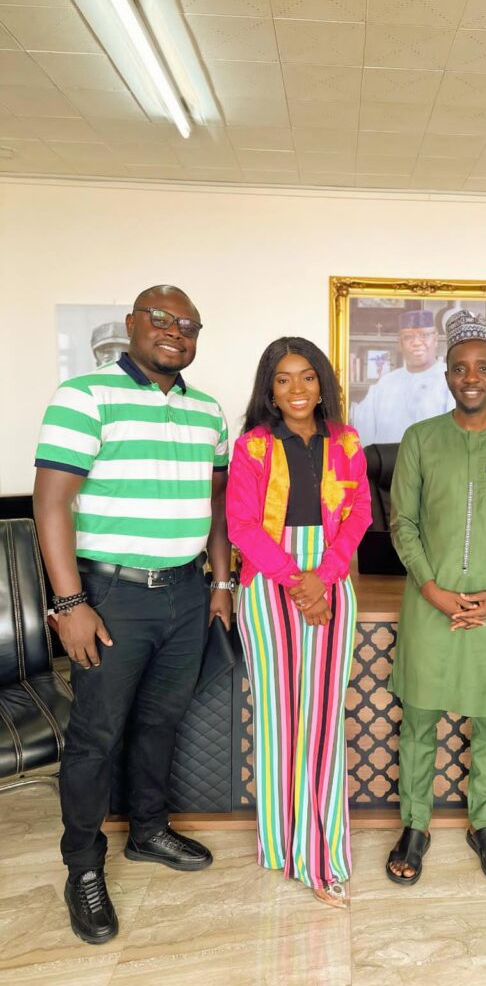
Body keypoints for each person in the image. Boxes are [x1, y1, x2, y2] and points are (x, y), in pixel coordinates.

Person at [33, 285, 231, 945]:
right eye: (163, 319)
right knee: (96, 736)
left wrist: (221, 582)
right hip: (110, 596)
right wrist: (70, 603)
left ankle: (147, 832)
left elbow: (218, 507)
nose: (177, 332)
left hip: (184, 592)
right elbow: (51, 505)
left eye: (189, 325)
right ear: (132, 325)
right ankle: (83, 866)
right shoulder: (84, 396)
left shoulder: (208, 412)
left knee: (162, 722)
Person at [385, 310, 486, 886]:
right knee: (418, 725)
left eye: (482, 368)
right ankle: (416, 825)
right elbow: (402, 522)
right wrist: (432, 589)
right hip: (430, 608)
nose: (470, 377)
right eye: (460, 368)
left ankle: (485, 824)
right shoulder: (421, 440)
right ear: (447, 376)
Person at [226, 337, 371, 909]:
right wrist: (296, 579)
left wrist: (325, 576)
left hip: (330, 578)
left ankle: (324, 854)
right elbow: (241, 526)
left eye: (307, 377)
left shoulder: (347, 441)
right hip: (268, 581)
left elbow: (358, 512)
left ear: (323, 384)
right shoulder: (253, 447)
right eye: (283, 379)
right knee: (278, 719)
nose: (297, 390)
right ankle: (283, 847)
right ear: (269, 388)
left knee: (324, 718)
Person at [354, 310, 454, 445]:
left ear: (435, 339)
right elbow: (363, 433)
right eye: (408, 337)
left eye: (424, 335)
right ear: (400, 343)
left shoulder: (451, 380)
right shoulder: (385, 384)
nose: (416, 342)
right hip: (388, 465)